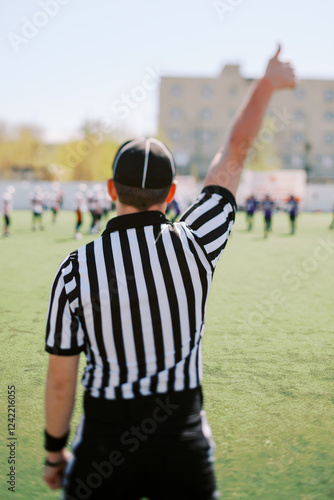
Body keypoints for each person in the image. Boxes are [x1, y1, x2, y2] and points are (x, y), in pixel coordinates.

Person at [43, 46, 296, 499]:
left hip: (104, 440)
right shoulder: (195, 241)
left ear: (110, 189)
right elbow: (234, 151)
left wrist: (54, 453)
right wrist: (266, 84)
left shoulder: (75, 269)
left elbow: (61, 378)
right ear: (173, 191)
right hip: (180, 438)